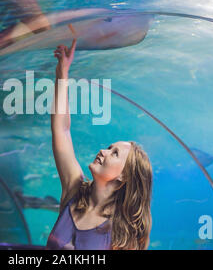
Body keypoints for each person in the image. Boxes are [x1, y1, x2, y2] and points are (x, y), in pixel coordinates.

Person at [46, 38, 153, 250]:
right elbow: (62, 130)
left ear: (125, 176)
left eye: (114, 154)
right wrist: (63, 73)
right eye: (109, 147)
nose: (103, 151)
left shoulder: (127, 231)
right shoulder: (73, 189)